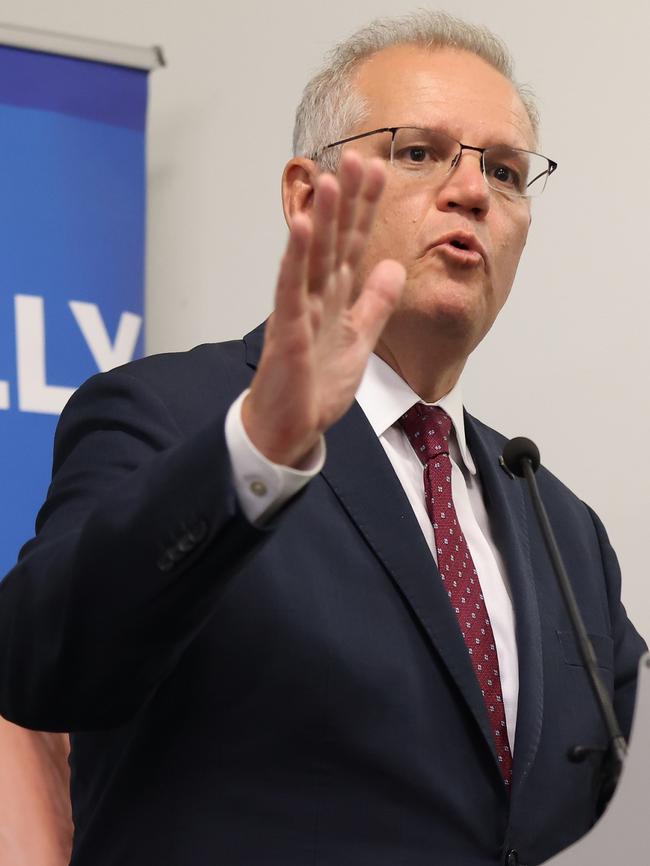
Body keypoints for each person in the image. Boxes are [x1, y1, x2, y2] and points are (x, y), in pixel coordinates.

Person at [0, 11, 646, 866]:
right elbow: (46, 665)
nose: (473, 192)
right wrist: (259, 450)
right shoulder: (168, 413)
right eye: (419, 152)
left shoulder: (564, 528)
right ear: (308, 195)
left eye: (505, 170)